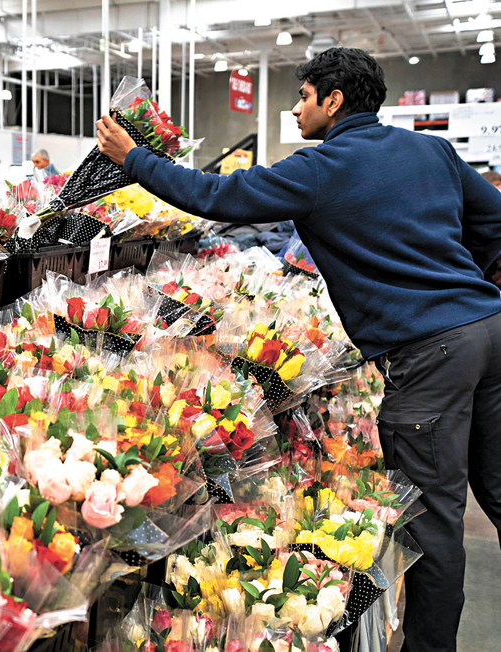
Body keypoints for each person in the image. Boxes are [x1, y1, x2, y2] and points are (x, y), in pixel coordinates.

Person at [96, 47, 501, 652]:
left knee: (434, 521)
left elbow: (216, 195)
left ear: (332, 101)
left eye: (304, 97)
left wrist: (136, 160)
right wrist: (463, 280)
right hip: (490, 328)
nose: (296, 108)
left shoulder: (320, 167)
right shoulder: (431, 150)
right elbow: (494, 219)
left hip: (430, 355)